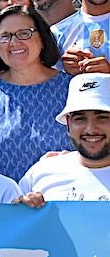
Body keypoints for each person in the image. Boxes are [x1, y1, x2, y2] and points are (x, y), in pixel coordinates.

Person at [0, 4, 73, 181]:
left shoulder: (71, 88)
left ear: (43, 38)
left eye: (24, 33)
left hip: (60, 201)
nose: (14, 42)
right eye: (5, 36)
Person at [17, 73, 110, 201]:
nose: (91, 129)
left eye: (102, 117)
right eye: (80, 119)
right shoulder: (41, 172)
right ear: (68, 123)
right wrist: (22, 209)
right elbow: (13, 217)